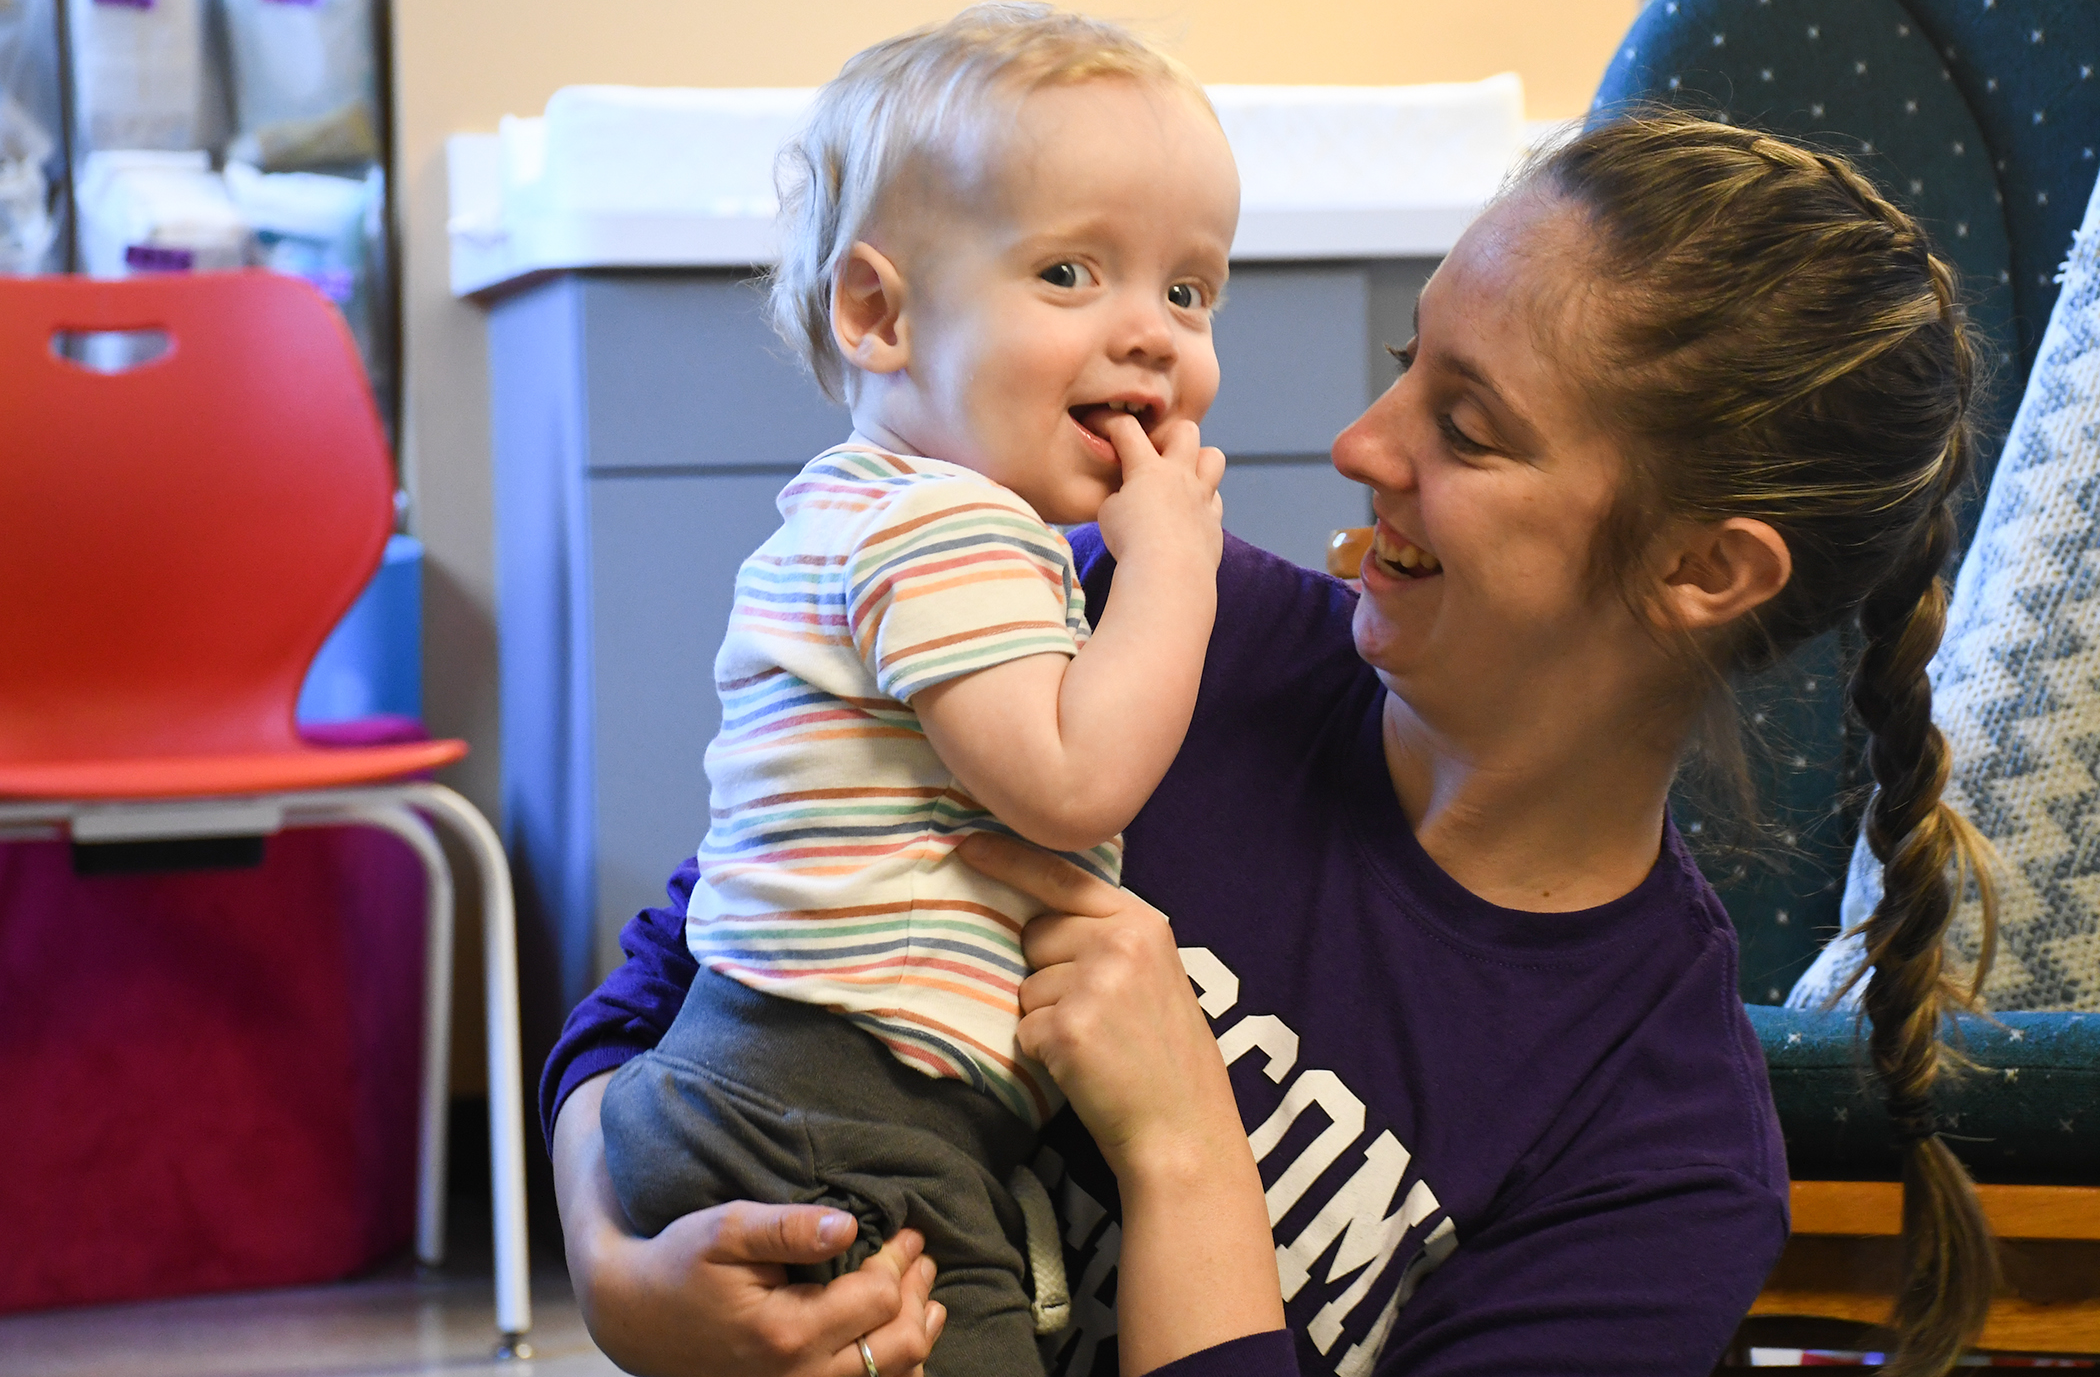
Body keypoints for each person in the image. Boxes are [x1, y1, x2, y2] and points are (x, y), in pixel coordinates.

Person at [544, 110, 1998, 1377]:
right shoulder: (1169, 644)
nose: (1363, 444)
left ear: (1703, 572)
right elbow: (684, 964)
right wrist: (617, 1268)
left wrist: (1187, 1154)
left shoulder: (1656, 1155)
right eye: (1405, 361)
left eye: (1470, 427)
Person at [592, 3, 1241, 1377]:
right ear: (879, 314)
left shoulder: (874, 516)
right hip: (839, 1113)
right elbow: (1072, 783)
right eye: (1071, 272)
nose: (1152, 336)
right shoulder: (946, 529)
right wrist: (1178, 565)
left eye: (1189, 291)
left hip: (758, 1079)